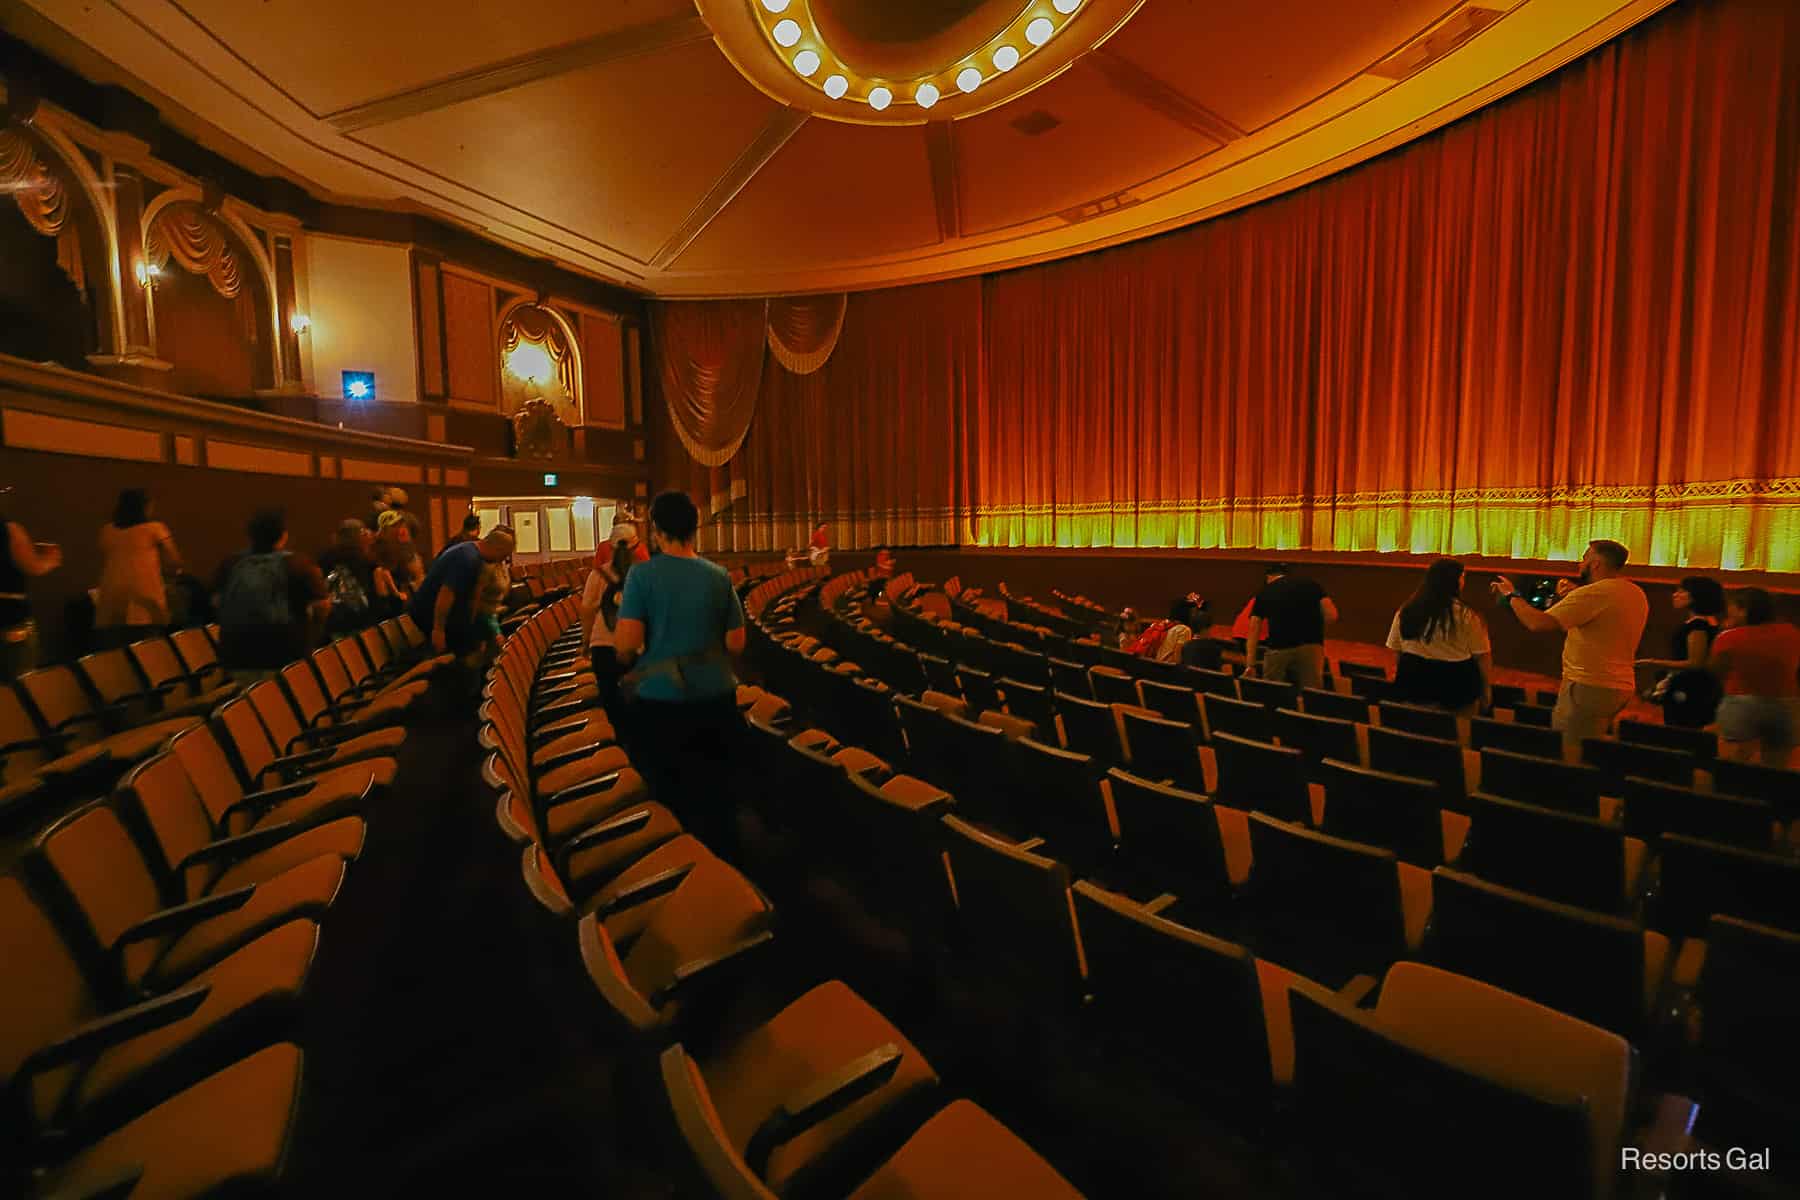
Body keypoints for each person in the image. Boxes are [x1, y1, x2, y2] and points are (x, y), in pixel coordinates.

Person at [614, 490, 747, 859]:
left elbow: (627, 644)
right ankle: (727, 877)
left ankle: (679, 872)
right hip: (717, 698)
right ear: (694, 529)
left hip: (661, 702)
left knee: (670, 796)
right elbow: (736, 643)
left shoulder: (641, 576)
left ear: (656, 530)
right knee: (718, 795)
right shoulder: (718, 576)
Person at [1492, 538, 1648, 759]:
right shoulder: (1634, 592)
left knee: (1570, 752)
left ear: (1595, 564)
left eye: (1584, 558)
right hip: (1619, 686)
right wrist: (1572, 596)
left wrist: (1511, 595)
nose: (1579, 564)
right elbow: (1598, 623)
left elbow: (1537, 623)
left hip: (1588, 686)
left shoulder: (1594, 594)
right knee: (1595, 747)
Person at [213, 508, 330, 678]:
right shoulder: (297, 564)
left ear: (250, 535)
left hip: (237, 653)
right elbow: (322, 606)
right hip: (285, 652)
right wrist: (311, 638)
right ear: (283, 535)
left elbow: (216, 602)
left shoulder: (231, 563)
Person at [1385, 558, 1492, 714]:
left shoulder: (1406, 611)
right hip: (1456, 692)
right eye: (1462, 578)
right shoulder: (1468, 616)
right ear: (1456, 582)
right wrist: (1486, 691)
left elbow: (1396, 650)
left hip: (1412, 686)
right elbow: (1482, 657)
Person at [1708, 588, 1800, 767]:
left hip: (1741, 702)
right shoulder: (1792, 632)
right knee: (1777, 768)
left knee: (1733, 763)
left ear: (1744, 610)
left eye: (1731, 607)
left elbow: (1715, 671)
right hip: (1786, 704)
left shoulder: (1729, 637)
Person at [408, 526, 517, 659]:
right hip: (429, 617)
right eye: (503, 556)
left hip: (445, 619)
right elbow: (446, 594)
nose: (500, 561)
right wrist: (438, 630)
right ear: (497, 549)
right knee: (468, 654)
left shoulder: (470, 551)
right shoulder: (467, 559)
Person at [1634, 575, 1725, 728]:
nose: (1675, 595)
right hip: (1697, 686)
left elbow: (1695, 662)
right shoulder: (1709, 623)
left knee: (1680, 731)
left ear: (1695, 597)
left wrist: (1652, 662)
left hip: (1690, 688)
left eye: (1681, 591)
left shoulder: (1698, 626)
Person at [94, 488, 181, 647]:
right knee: (148, 652)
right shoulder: (155, 528)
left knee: (117, 655)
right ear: (145, 507)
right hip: (145, 600)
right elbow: (173, 560)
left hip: (111, 601)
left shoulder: (107, 530)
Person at [0, 496, 62, 681]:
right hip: (8, 617)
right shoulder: (8, 529)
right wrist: (51, 559)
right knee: (20, 683)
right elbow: (33, 566)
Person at [1247, 563, 1337, 688]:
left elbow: (1253, 628)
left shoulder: (1265, 592)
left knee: (1273, 689)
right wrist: (1314, 628)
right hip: (1311, 645)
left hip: (1278, 647)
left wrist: (1250, 664)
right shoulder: (1311, 584)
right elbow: (1332, 615)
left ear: (1268, 577)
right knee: (1311, 690)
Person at [317, 519, 377, 633]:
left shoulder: (327, 558)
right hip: (350, 625)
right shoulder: (360, 563)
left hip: (339, 623)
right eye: (364, 535)